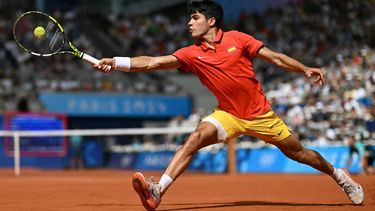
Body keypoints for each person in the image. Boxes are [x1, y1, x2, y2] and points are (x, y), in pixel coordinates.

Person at [94, 1, 364, 209]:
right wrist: (116, 62)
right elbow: (153, 62)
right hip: (228, 115)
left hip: (261, 115)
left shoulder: (238, 39)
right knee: (195, 138)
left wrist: (304, 69)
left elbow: (276, 58)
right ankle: (158, 192)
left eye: (195, 17)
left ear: (211, 21)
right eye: (189, 17)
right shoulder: (192, 53)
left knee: (299, 153)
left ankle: (338, 175)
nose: (189, 23)